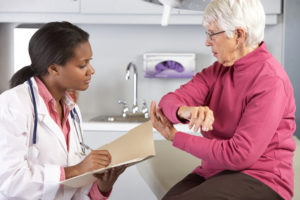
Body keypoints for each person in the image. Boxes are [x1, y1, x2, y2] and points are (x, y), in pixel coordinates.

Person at [150, 0, 296, 199]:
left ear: (238, 35)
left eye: (212, 33)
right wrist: (184, 111)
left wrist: (176, 137)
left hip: (262, 179)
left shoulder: (270, 81)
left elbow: (240, 155)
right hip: (214, 173)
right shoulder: (217, 71)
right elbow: (169, 101)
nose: (207, 42)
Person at [0, 21, 126, 200]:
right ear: (53, 68)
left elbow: (73, 191)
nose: (92, 70)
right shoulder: (13, 104)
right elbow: (10, 182)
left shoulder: (72, 112)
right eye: (83, 65)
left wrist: (102, 187)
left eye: (90, 63)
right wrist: (77, 169)